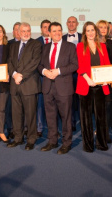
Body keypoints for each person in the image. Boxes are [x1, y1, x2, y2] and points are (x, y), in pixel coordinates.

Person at [38, 22, 78, 154]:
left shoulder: (70, 47)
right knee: (50, 116)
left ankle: (66, 143)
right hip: (48, 87)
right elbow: (39, 65)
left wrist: (59, 71)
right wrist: (45, 72)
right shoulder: (45, 47)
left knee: (66, 117)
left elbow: (75, 65)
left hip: (64, 88)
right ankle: (52, 141)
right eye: (54, 31)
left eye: (59, 30)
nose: (57, 33)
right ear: (49, 33)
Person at [76, 22, 111, 152]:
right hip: (86, 85)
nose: (90, 33)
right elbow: (79, 65)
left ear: (96, 32)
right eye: (88, 30)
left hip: (101, 86)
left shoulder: (102, 46)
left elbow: (107, 64)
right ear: (84, 33)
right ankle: (88, 145)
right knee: (86, 118)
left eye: (92, 30)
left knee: (101, 117)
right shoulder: (80, 46)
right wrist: (87, 79)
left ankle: (102, 144)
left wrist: (107, 79)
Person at [7, 22, 42, 150]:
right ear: (18, 32)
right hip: (15, 85)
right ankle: (18, 138)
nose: (26, 33)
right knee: (16, 114)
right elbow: (10, 61)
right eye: (23, 31)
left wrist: (21, 76)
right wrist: (14, 74)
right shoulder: (13, 46)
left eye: (28, 31)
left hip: (29, 84)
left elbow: (34, 63)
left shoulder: (36, 44)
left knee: (30, 115)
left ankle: (31, 139)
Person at [97, 20, 112, 138]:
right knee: (101, 104)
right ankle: (101, 126)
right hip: (97, 79)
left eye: (105, 28)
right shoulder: (93, 43)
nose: (103, 29)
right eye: (100, 27)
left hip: (111, 78)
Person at [62, 16, 82, 132]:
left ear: (77, 23)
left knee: (80, 99)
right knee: (69, 100)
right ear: (66, 24)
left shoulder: (83, 38)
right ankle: (72, 122)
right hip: (67, 73)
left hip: (81, 73)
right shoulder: (62, 38)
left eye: (73, 22)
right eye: (69, 22)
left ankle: (82, 121)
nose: (71, 24)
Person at [36, 19, 52, 137]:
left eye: (48, 27)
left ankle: (53, 128)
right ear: (41, 29)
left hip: (56, 78)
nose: (47, 29)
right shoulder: (36, 42)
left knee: (54, 104)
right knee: (40, 104)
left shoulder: (58, 41)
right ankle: (40, 127)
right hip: (41, 78)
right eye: (44, 27)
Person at [5, 22, 21, 139]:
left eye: (21, 29)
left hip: (25, 81)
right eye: (16, 29)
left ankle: (22, 129)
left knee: (24, 107)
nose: (19, 32)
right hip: (10, 81)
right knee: (10, 107)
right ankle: (10, 129)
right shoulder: (8, 44)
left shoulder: (30, 44)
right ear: (13, 32)